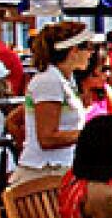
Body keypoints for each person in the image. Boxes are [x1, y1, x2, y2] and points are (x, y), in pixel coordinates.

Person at [12, 22, 94, 185]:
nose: (91, 53)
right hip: (44, 174)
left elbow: (14, 119)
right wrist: (92, 135)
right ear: (74, 50)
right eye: (88, 47)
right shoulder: (49, 80)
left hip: (57, 170)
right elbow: (47, 138)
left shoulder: (62, 79)